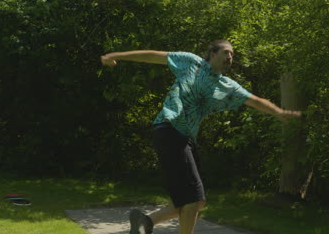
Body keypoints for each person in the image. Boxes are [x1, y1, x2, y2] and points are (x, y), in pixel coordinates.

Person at [100, 40, 301, 234]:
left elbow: (255, 101)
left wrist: (278, 112)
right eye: (226, 52)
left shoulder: (226, 85)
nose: (230, 57)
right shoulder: (190, 62)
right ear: (213, 54)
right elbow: (151, 56)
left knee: (195, 201)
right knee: (192, 199)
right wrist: (115, 56)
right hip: (169, 129)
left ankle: (146, 222)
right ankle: (147, 222)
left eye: (233, 54)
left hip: (185, 138)